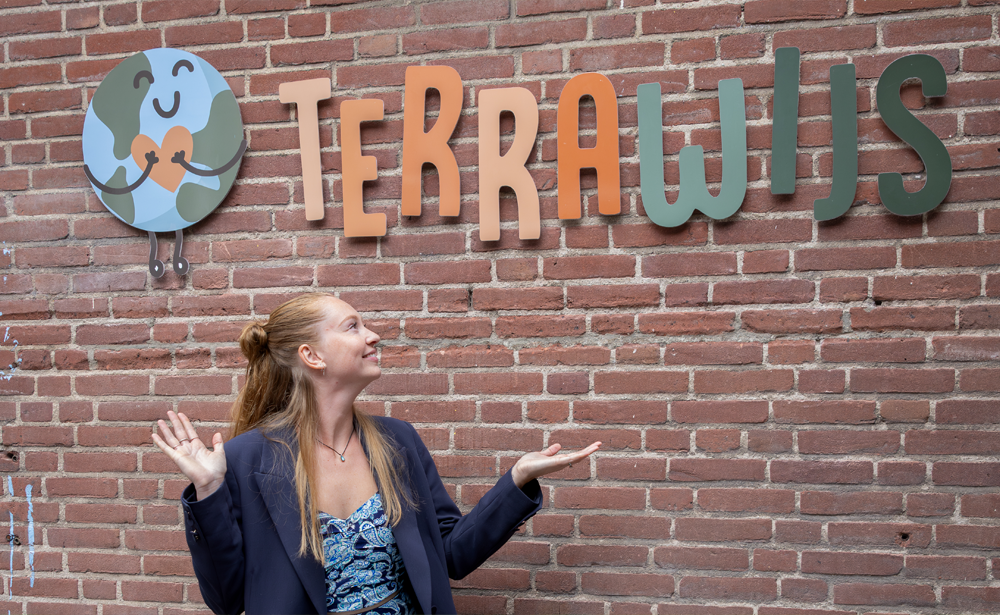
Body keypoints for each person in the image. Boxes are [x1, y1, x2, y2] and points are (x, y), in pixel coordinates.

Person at [152, 293, 600, 615]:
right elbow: (227, 600)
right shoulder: (246, 459)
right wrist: (208, 489)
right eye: (353, 327)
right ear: (311, 355)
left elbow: (452, 555)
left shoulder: (397, 442)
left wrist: (516, 480)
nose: (373, 335)